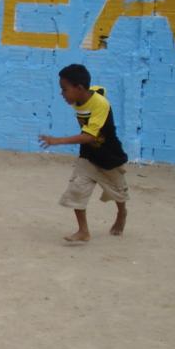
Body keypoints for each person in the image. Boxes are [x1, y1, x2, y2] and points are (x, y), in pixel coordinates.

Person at [39, 63, 129, 242]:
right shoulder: (82, 96)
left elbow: (89, 136)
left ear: (79, 88)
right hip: (88, 156)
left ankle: (122, 213)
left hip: (109, 156)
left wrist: (57, 141)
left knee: (118, 192)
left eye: (64, 89)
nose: (62, 94)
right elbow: (98, 89)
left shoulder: (100, 105)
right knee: (76, 190)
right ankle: (83, 231)